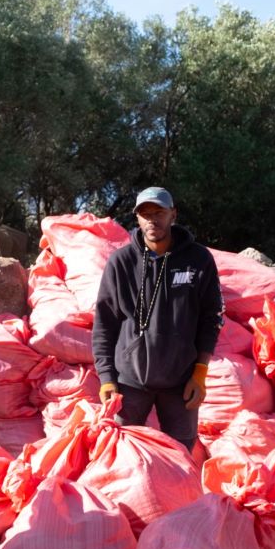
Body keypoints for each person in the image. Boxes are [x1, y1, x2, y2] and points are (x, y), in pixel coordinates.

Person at [92, 186, 223, 451]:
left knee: (181, 456)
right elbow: (105, 323)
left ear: (173, 214)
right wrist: (106, 377)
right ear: (137, 219)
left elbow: (211, 318)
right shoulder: (121, 262)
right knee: (125, 456)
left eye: (159, 212)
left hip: (181, 382)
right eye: (145, 213)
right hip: (129, 383)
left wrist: (200, 372)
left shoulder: (198, 260)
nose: (152, 219)